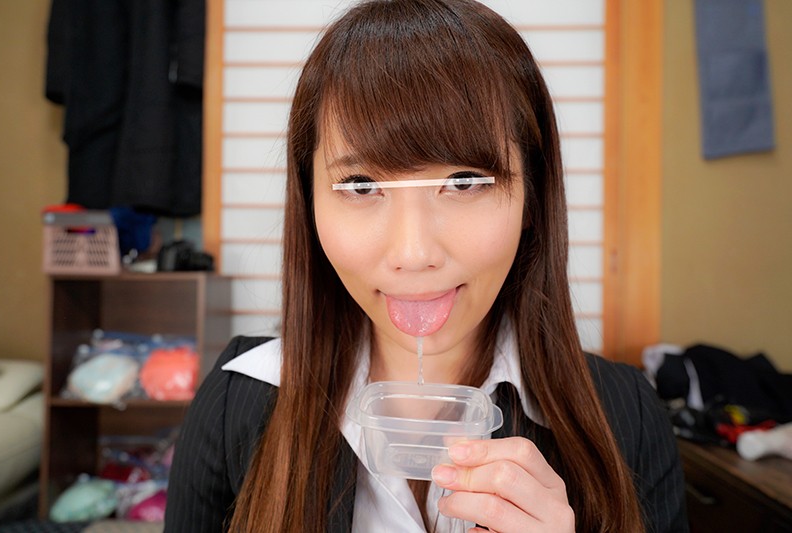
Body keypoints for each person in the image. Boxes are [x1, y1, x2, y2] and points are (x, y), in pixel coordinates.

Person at [165, 1, 688, 531]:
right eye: (361, 186)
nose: (414, 254)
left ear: (532, 196)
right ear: (309, 201)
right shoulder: (238, 401)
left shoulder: (627, 417)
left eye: (464, 182)